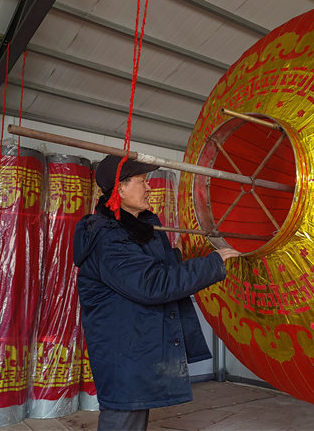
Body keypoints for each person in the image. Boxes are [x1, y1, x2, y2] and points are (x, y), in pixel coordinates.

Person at [73, 155, 240, 431]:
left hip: (137, 348)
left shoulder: (135, 227)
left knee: (134, 419)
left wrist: (188, 253)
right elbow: (153, 283)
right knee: (123, 420)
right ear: (121, 189)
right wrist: (213, 264)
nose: (149, 188)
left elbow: (156, 264)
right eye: (141, 181)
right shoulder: (108, 238)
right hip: (123, 353)